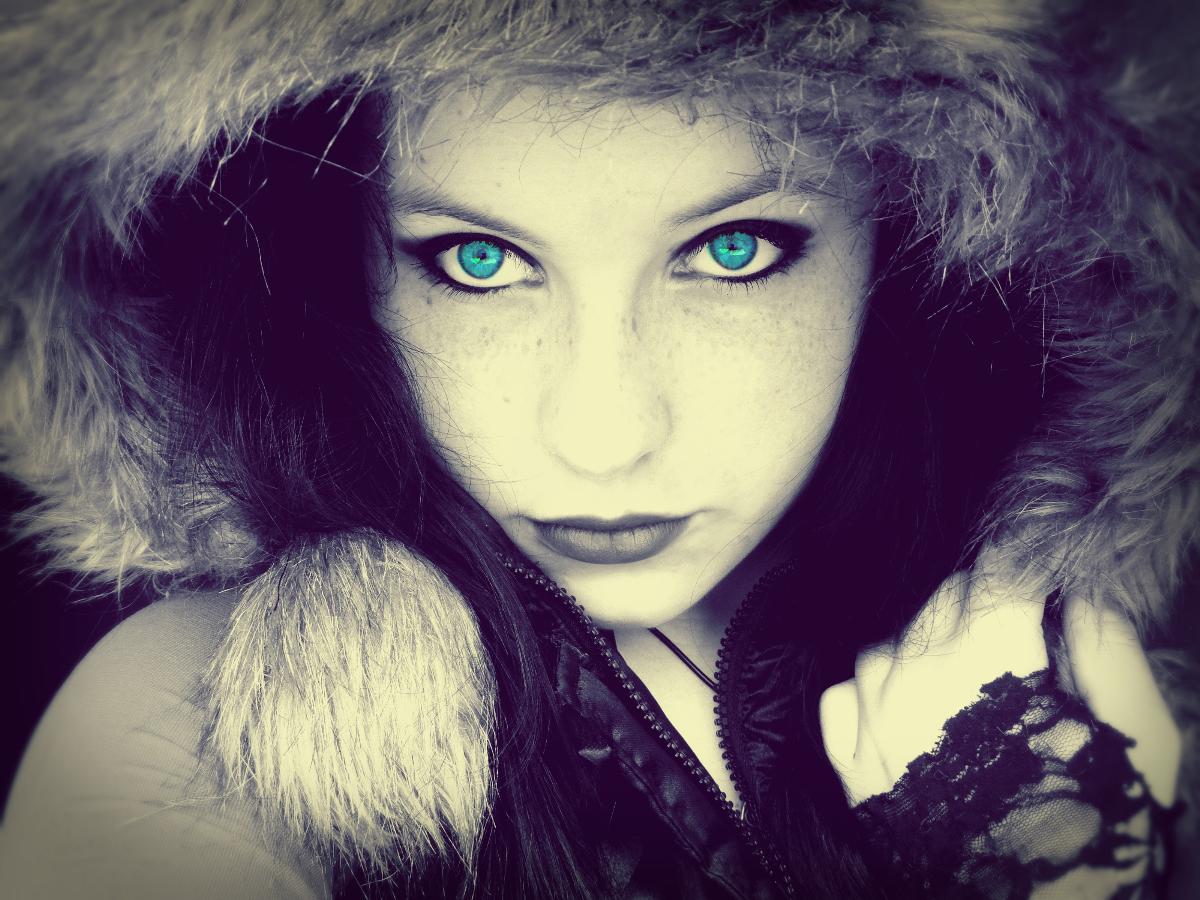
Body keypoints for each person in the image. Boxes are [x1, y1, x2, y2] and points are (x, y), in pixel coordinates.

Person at [0, 0, 1196, 897]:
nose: (604, 437)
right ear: (341, 267)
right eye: (478, 262)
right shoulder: (191, 730)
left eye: (734, 250)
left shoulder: (1108, 679)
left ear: (917, 237)